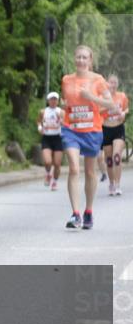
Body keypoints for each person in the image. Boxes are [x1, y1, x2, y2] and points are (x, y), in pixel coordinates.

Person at [60, 45, 114, 229]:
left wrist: (91, 97)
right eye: (78, 57)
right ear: (74, 59)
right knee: (74, 168)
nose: (81, 60)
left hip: (92, 130)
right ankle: (75, 214)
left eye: (85, 58)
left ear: (90, 61)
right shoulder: (66, 80)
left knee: (90, 172)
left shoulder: (98, 80)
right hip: (71, 129)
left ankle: (88, 210)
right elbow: (66, 101)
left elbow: (111, 104)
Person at [102, 74, 128, 196]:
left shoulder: (122, 96)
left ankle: (117, 184)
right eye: (110, 82)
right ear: (107, 83)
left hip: (118, 128)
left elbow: (126, 109)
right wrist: (109, 105)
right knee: (109, 160)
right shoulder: (102, 97)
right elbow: (98, 111)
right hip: (106, 129)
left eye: (115, 83)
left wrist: (123, 113)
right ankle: (111, 183)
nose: (112, 85)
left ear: (117, 84)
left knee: (116, 156)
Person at [38, 91, 65, 191]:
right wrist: (40, 128)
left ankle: (55, 182)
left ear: (58, 101)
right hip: (47, 138)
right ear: (48, 101)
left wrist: (62, 121)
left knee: (57, 164)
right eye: (51, 99)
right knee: (47, 161)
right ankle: (48, 173)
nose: (53, 101)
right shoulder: (43, 111)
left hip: (58, 138)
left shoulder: (60, 111)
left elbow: (65, 123)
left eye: (55, 99)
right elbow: (39, 121)